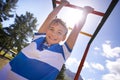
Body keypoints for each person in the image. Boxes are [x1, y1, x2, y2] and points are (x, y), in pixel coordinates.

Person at [0, 0, 94, 80]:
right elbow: (49, 18)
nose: (53, 34)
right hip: (7, 75)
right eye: (51, 29)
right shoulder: (38, 39)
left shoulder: (63, 51)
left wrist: (85, 13)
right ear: (47, 30)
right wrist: (61, 4)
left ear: (64, 38)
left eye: (59, 32)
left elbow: (76, 30)